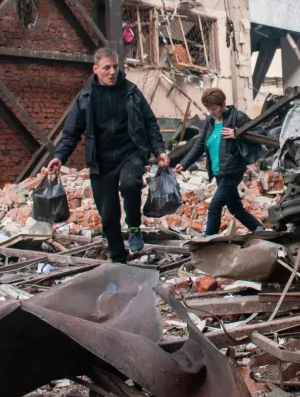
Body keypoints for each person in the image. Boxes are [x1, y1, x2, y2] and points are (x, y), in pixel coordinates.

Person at [48, 47, 169, 263]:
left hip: (130, 154)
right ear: (96, 69)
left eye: (115, 67)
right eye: (106, 68)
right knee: (108, 216)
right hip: (101, 162)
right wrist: (60, 157)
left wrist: (159, 150)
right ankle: (119, 260)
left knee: (131, 185)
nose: (112, 72)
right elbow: (71, 133)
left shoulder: (131, 92)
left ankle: (133, 226)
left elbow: (150, 123)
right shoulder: (86, 97)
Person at [175, 87, 264, 236]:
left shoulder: (237, 117)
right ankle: (260, 230)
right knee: (235, 208)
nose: (212, 112)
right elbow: (200, 144)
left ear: (223, 104)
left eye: (215, 108)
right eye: (208, 109)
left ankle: (209, 242)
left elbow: (260, 133)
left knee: (214, 206)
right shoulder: (210, 121)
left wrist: (238, 134)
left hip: (233, 171)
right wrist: (184, 163)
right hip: (218, 172)